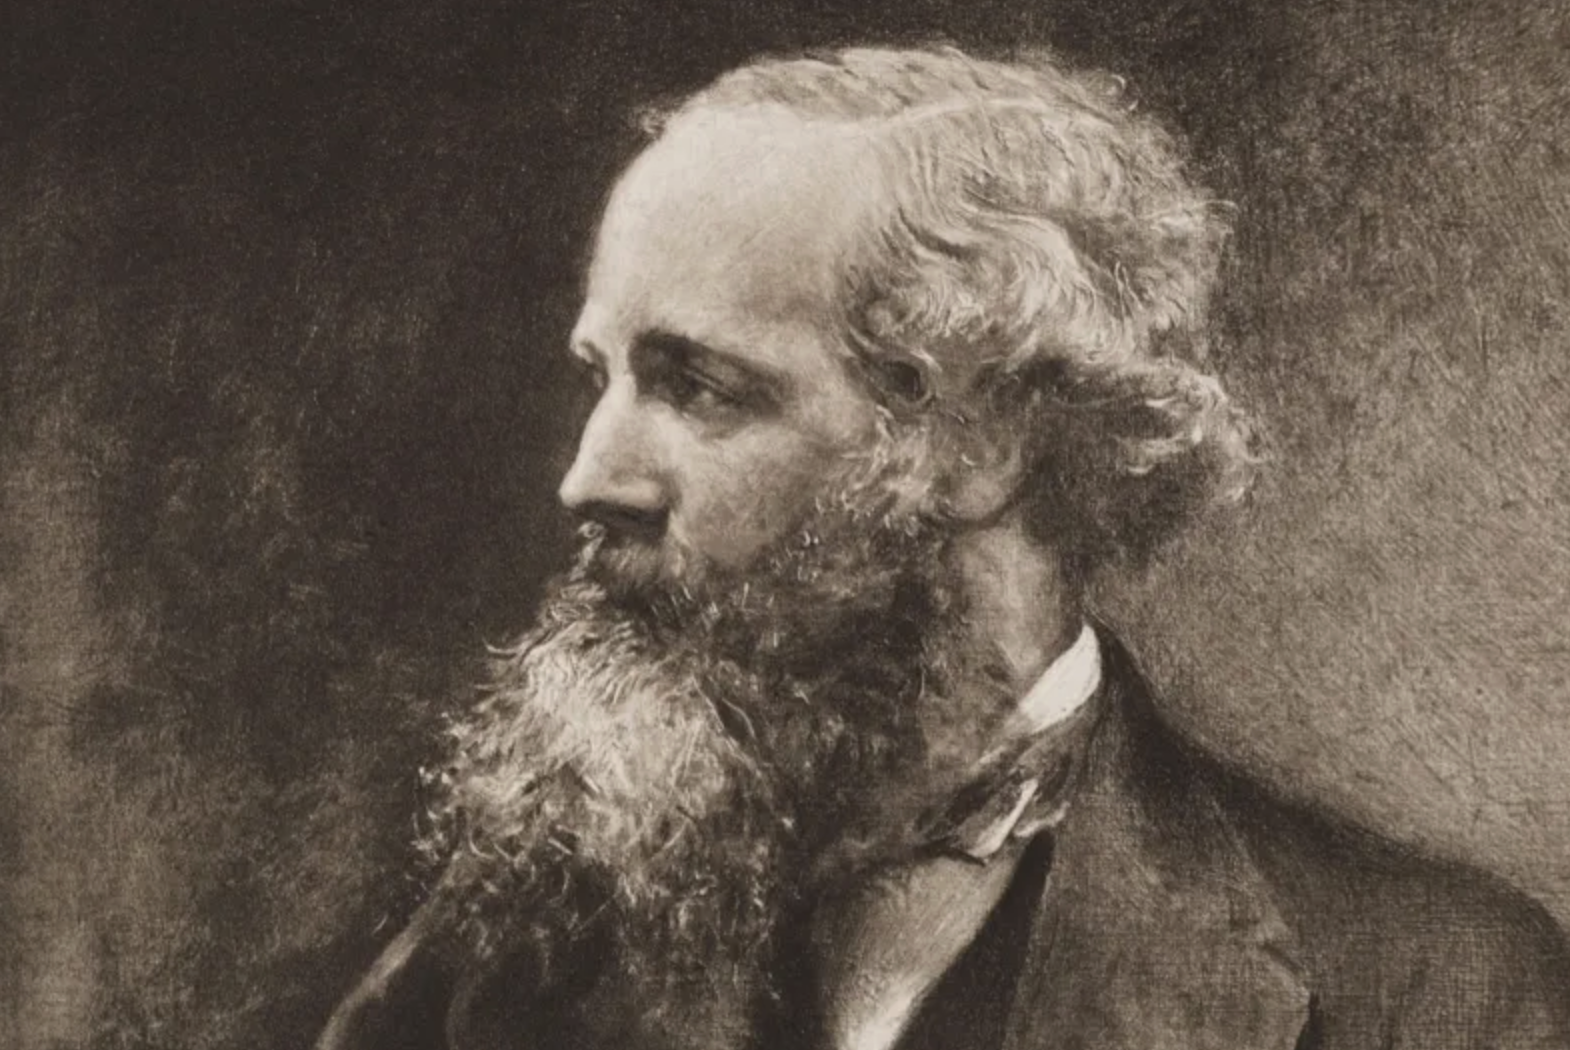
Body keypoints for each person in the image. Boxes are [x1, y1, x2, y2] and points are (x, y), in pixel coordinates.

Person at [316, 45, 1570, 1050]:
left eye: (699, 387)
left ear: (982, 441)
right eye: (602, 378)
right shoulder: (495, 957)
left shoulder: (1437, 991)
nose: (589, 478)